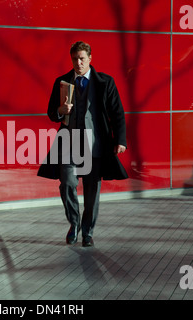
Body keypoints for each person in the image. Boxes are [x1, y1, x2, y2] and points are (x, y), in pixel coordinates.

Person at [38, 41, 128, 247]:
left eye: (82, 58)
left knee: (91, 191)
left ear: (90, 59)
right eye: (74, 59)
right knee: (68, 183)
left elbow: (117, 113)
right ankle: (74, 224)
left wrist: (120, 140)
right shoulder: (62, 82)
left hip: (95, 146)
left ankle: (87, 232)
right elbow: (52, 113)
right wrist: (62, 110)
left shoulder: (105, 82)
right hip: (69, 143)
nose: (78, 63)